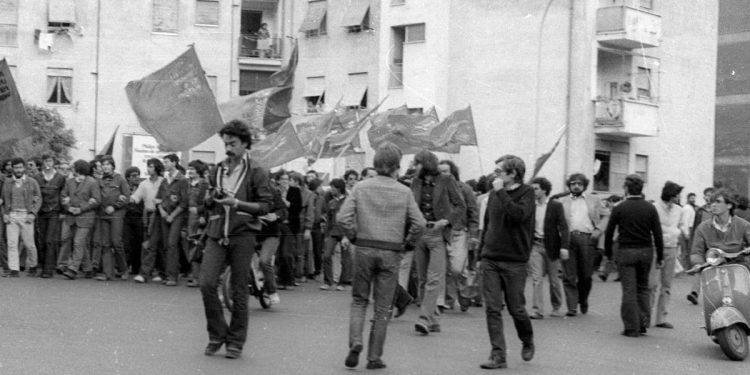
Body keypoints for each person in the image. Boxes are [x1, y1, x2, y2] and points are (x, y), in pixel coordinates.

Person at [338, 143, 426, 370]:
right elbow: (420, 224)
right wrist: (408, 243)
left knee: (359, 300)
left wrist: (354, 236)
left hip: (365, 248)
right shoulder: (404, 191)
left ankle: (355, 341)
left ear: (376, 164)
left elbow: (342, 218)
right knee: (382, 307)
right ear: (397, 167)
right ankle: (374, 357)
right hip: (391, 251)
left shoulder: (360, 187)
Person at [199, 120, 274, 359]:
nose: (228, 148)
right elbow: (206, 202)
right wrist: (210, 198)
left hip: (243, 235)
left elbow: (265, 206)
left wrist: (238, 203)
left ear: (244, 144)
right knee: (207, 283)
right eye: (225, 144)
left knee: (239, 290)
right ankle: (217, 334)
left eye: (232, 144)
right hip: (217, 233)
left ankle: (235, 342)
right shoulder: (217, 170)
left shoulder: (257, 171)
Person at [479, 155, 536, 369]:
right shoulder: (495, 194)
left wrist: (501, 192)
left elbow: (518, 215)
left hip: (515, 261)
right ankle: (498, 355)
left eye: (499, 171)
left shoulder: (527, 193)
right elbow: (488, 224)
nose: (495, 175)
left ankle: (527, 339)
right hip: (491, 258)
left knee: (517, 309)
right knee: (492, 308)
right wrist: (481, 254)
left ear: (513, 174)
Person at [411, 150, 466, 335]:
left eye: (416, 163)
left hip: (437, 233)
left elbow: (460, 205)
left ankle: (424, 319)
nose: (413, 166)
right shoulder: (415, 181)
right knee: (422, 279)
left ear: (425, 164)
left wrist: (447, 221)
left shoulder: (446, 180)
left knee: (434, 278)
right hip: (420, 233)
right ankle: (433, 319)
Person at [604, 174, 664, 338]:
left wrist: (608, 254)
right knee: (643, 288)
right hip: (646, 251)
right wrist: (660, 256)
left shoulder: (619, 208)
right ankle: (643, 323)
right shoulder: (650, 208)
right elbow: (657, 233)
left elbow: (609, 233)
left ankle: (631, 327)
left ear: (626, 188)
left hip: (626, 251)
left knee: (629, 290)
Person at [557, 173, 604, 316]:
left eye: (579, 184)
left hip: (587, 239)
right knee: (569, 275)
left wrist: (598, 229)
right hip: (568, 239)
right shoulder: (562, 201)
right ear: (569, 185)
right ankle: (571, 307)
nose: (576, 186)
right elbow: (557, 220)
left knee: (586, 275)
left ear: (584, 185)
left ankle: (583, 299)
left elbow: (606, 215)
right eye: (573, 183)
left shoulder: (594, 200)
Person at [437, 159, 479, 312]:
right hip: (442, 232)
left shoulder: (465, 189)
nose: (442, 174)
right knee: (445, 268)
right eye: (439, 171)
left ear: (453, 173)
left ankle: (463, 292)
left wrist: (474, 234)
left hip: (460, 232)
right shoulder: (436, 189)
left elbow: (473, 212)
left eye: (445, 171)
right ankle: (449, 299)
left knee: (456, 268)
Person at [528, 176, 569, 319]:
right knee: (536, 278)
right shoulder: (531, 206)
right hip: (535, 245)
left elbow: (563, 227)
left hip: (551, 245)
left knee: (553, 280)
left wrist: (564, 247)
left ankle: (556, 306)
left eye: (536, 189)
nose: (533, 191)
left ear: (544, 190)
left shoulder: (555, 205)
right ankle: (537, 310)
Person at [650, 181, 685, 329]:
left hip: (671, 248)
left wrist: (679, 235)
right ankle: (646, 316)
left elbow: (681, 226)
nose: (678, 198)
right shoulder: (654, 208)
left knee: (667, 284)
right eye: (677, 195)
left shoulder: (679, 210)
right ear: (671, 194)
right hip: (655, 248)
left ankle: (661, 318)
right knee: (651, 284)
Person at [59, 160, 101, 280]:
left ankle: (73, 269)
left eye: (73, 167)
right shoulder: (69, 182)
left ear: (79, 169)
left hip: (86, 217)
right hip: (71, 216)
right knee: (75, 241)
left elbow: (96, 199)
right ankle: (88, 268)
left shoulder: (92, 182)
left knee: (78, 242)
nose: (71, 169)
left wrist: (81, 209)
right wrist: (68, 207)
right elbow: (63, 196)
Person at [691, 189, 750, 271]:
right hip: (712, 271)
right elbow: (696, 253)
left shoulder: (743, 225)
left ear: (729, 205)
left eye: (718, 202)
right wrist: (699, 264)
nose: (713, 205)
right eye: (712, 202)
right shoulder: (702, 228)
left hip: (737, 270)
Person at [2, 158, 41, 277]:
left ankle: (33, 266)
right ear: (12, 169)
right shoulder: (7, 183)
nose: (18, 170)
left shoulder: (32, 182)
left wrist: (33, 213)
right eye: (16, 168)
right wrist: (5, 213)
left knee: (29, 244)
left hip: (26, 215)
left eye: (20, 167)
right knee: (12, 243)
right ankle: (14, 269)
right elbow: (3, 200)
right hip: (12, 215)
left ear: (24, 168)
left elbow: (38, 199)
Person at [95, 156, 130, 281]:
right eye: (103, 164)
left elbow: (127, 197)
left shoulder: (120, 179)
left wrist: (115, 206)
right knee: (105, 244)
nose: (105, 166)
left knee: (116, 242)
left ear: (112, 166)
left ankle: (124, 269)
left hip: (116, 213)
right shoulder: (99, 181)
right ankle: (107, 273)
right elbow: (97, 196)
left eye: (107, 164)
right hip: (103, 213)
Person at [156, 154, 189, 286]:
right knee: (165, 244)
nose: (165, 164)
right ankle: (167, 273)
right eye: (164, 162)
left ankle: (172, 276)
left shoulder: (182, 180)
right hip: (164, 214)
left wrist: (172, 215)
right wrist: (162, 211)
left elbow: (184, 202)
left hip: (177, 215)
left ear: (174, 163)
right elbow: (158, 199)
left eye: (167, 162)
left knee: (172, 244)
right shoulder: (164, 180)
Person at [131, 159, 165, 283]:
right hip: (148, 214)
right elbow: (136, 197)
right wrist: (128, 198)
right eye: (148, 166)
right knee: (148, 243)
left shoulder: (163, 182)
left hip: (160, 214)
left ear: (157, 168)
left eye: (151, 167)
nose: (149, 169)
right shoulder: (144, 183)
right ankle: (151, 271)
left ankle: (152, 272)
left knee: (157, 244)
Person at [33, 154, 67, 278]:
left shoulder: (60, 177)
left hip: (54, 211)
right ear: (42, 163)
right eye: (46, 161)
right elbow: (34, 194)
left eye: (50, 161)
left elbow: (63, 194)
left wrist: (63, 211)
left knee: (50, 240)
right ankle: (41, 266)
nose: (48, 163)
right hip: (41, 211)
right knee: (41, 240)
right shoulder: (37, 177)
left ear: (53, 162)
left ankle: (48, 269)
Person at [320, 178, 350, 290]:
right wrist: (326, 235)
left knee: (345, 259)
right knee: (326, 255)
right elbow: (328, 219)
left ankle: (342, 283)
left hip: (345, 232)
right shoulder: (331, 202)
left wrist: (347, 235)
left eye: (333, 187)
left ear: (339, 188)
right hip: (332, 232)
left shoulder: (348, 201)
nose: (331, 189)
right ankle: (328, 281)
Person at [184, 160, 210, 288]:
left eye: (193, 169)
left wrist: (201, 214)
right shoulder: (188, 183)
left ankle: (198, 277)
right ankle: (194, 275)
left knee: (198, 246)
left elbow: (207, 203)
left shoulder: (204, 184)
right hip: (189, 217)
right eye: (189, 168)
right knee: (190, 245)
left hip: (199, 218)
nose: (190, 171)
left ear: (198, 170)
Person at [687, 187, 714, 305]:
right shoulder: (700, 210)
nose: (708, 197)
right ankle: (694, 293)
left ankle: (714, 296)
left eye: (710, 195)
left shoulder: (718, 210)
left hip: (714, 244)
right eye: (706, 195)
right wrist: (693, 243)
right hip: (701, 243)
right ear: (704, 197)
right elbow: (695, 228)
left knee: (713, 270)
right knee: (699, 267)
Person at [123, 166, 144, 276]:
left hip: (139, 217)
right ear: (128, 178)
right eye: (134, 176)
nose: (137, 178)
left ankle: (136, 268)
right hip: (126, 217)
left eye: (138, 175)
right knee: (126, 243)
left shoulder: (142, 187)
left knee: (138, 243)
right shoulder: (125, 188)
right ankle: (125, 266)